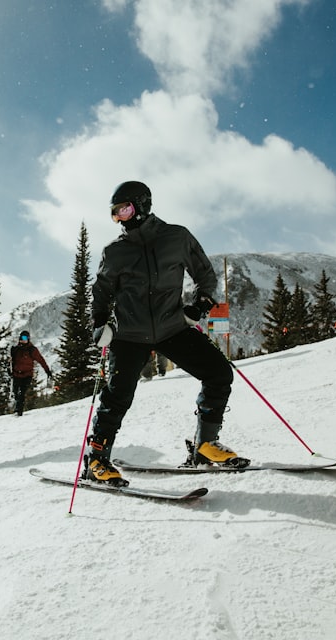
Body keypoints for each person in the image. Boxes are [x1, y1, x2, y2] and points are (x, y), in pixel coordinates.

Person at [83, 181, 249, 486]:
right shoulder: (115, 251)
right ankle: (96, 460)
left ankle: (205, 445)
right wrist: (99, 323)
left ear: (142, 205)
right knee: (116, 398)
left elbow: (205, 276)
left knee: (218, 374)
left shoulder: (177, 237)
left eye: (125, 209)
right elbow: (102, 292)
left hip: (172, 327)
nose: (121, 218)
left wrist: (199, 307)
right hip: (129, 334)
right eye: (115, 214)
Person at [9, 330, 52, 416]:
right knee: (16, 392)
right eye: (21, 338)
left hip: (27, 375)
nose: (22, 340)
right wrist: (10, 371)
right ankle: (18, 407)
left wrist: (47, 370)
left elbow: (41, 360)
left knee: (22, 392)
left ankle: (19, 410)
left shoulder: (32, 350)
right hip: (17, 374)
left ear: (28, 339)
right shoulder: (16, 349)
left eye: (24, 338)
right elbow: (11, 361)